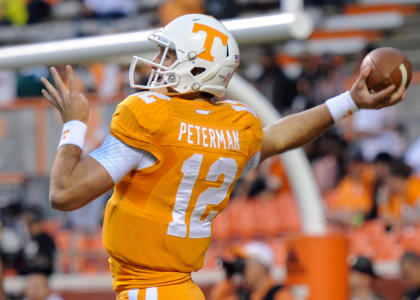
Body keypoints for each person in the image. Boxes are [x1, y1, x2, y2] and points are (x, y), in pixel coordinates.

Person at [40, 13, 406, 300]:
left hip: (150, 290)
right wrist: (350, 102)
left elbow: (65, 193)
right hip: (178, 289)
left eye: (168, 55)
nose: (156, 63)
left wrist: (74, 124)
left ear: (197, 68)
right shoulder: (235, 128)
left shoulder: (150, 116)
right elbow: (278, 136)